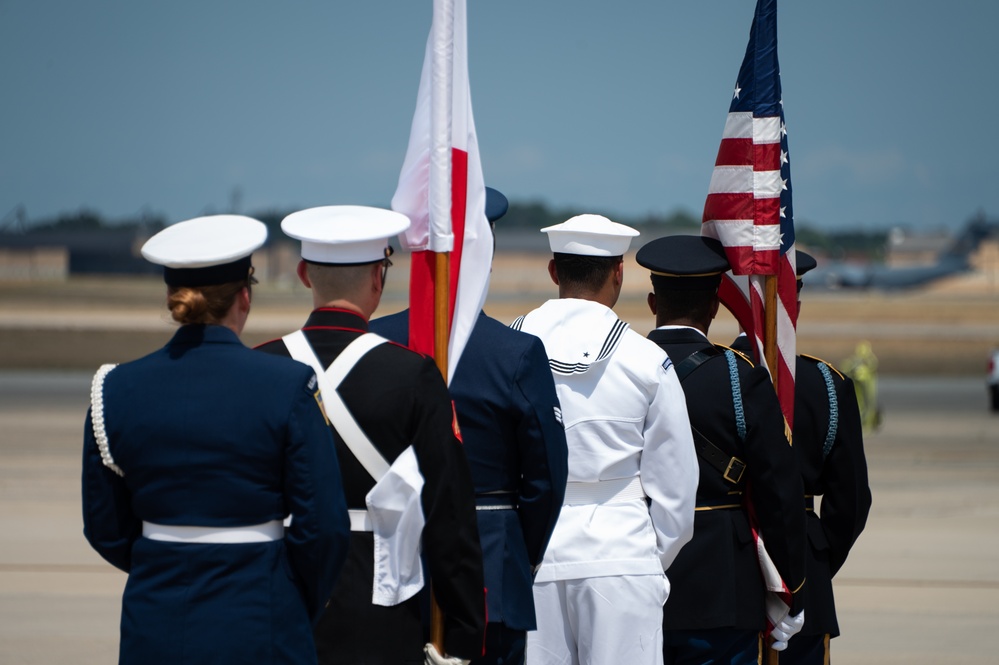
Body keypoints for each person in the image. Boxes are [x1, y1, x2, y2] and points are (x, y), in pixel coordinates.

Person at [82, 214, 351, 665]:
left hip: (155, 621)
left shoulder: (115, 388)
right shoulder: (287, 385)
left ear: (172, 298)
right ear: (244, 297)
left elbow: (105, 526)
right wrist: (287, 598)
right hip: (260, 620)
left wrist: (163, 561)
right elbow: (323, 526)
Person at [255, 205, 486, 665]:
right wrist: (463, 634)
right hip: (378, 603)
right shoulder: (414, 373)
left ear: (303, 274)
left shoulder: (260, 366)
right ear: (378, 279)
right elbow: (449, 515)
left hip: (275, 595)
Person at [370, 188, 569, 665]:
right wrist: (522, 551)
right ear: (488, 255)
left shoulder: (375, 342)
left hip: (394, 565)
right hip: (490, 569)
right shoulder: (515, 355)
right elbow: (546, 478)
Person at [511, 214, 698, 665]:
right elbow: (676, 491)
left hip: (532, 557)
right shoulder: (646, 360)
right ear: (619, 273)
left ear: (554, 271)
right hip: (622, 555)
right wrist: (641, 557)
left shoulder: (508, 347)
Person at [636, 234, 808, 665]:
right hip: (722, 583)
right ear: (715, 305)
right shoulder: (740, 375)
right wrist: (792, 585)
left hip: (634, 567)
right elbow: (779, 490)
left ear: (653, 302)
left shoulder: (623, 366)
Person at [779, 252, 872, 664]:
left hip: (718, 579)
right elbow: (850, 501)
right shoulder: (827, 385)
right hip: (805, 571)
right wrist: (815, 561)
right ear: (794, 302)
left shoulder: (706, 376)